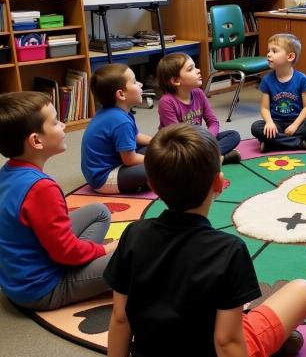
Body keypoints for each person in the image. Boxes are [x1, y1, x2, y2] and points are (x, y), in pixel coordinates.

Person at [68, 124, 306, 357]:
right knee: (303, 290)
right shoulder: (228, 250)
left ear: (153, 187)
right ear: (219, 184)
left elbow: (120, 318)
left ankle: (271, 340)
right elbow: (226, 340)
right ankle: (270, 346)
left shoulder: (133, 234)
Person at [0, 91, 116, 311]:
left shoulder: (7, 173)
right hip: (42, 289)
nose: (63, 125)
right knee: (131, 254)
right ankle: (85, 266)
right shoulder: (41, 188)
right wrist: (106, 249)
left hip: (19, 277)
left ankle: (83, 263)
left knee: (99, 212)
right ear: (36, 140)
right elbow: (66, 252)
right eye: (54, 122)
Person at [156, 52, 241, 164]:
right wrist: (199, 142)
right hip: (178, 144)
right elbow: (176, 136)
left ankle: (206, 158)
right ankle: (215, 157)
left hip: (200, 140)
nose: (198, 70)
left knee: (233, 135)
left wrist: (206, 139)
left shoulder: (199, 93)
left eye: (195, 66)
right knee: (173, 157)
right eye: (191, 69)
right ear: (176, 81)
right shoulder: (166, 102)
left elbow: (213, 122)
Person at [81, 64, 153, 194]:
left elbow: (136, 136)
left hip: (116, 163)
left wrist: (160, 142)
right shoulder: (120, 121)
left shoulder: (117, 113)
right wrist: (161, 159)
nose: (141, 84)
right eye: (135, 82)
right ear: (121, 94)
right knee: (157, 167)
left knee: (157, 149)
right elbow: (129, 159)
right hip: (104, 177)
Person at [250, 33, 306, 152]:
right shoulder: (266, 80)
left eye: (274, 51)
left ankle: (273, 144)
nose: (268, 54)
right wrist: (269, 122)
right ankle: (302, 143)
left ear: (290, 57)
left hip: (297, 123)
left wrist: (295, 125)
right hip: (276, 124)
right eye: (269, 51)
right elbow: (264, 108)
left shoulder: (302, 79)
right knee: (256, 127)